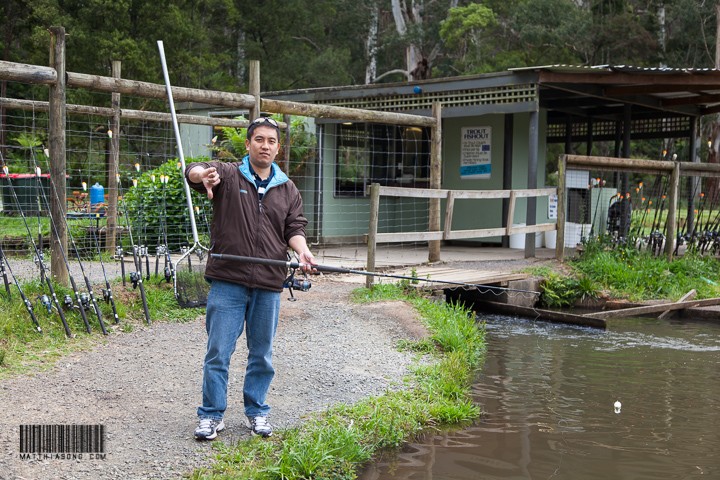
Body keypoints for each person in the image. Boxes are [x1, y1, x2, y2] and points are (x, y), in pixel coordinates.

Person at [185, 116, 315, 440]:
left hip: (269, 283)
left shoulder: (287, 188)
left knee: (262, 354)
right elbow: (194, 171)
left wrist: (303, 251)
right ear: (248, 144)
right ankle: (211, 415)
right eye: (259, 140)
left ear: (278, 147)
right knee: (218, 351)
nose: (265, 146)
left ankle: (257, 412)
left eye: (271, 141)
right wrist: (201, 174)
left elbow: (294, 229)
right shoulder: (227, 174)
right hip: (228, 280)